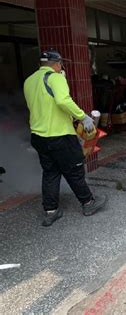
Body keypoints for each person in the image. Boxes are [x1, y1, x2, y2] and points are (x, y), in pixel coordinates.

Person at [24, 49, 107, 227]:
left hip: (39, 136)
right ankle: (88, 203)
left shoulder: (28, 81)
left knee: (50, 172)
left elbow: (44, 106)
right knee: (74, 170)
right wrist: (83, 117)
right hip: (59, 135)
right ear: (56, 64)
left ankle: (51, 211)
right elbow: (63, 101)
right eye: (61, 64)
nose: (62, 67)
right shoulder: (56, 78)